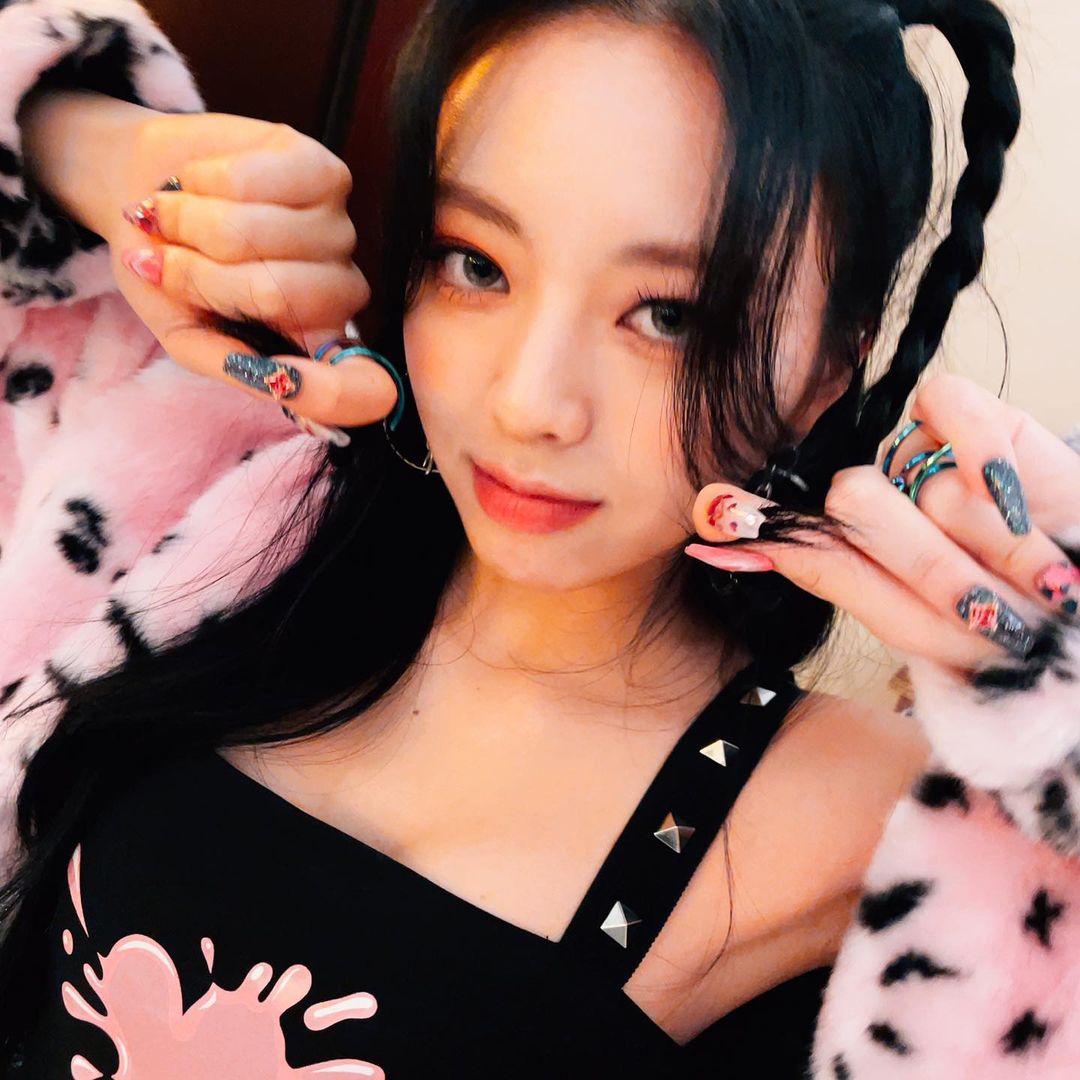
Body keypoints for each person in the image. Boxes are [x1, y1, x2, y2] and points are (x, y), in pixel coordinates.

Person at [0, 0, 1076, 1076]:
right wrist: (107, 155)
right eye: (477, 263)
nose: (530, 403)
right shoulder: (230, 498)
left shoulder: (878, 819)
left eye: (669, 316)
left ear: (828, 375)